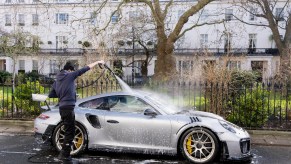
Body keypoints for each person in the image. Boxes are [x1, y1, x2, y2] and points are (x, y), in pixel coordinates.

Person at [48, 60, 104, 162]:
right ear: (69, 70)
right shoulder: (69, 75)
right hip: (68, 108)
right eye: (72, 71)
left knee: (68, 131)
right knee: (70, 132)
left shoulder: (57, 80)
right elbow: (85, 69)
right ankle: (64, 155)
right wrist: (97, 62)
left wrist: (65, 92)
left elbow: (51, 95)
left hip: (62, 108)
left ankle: (64, 153)